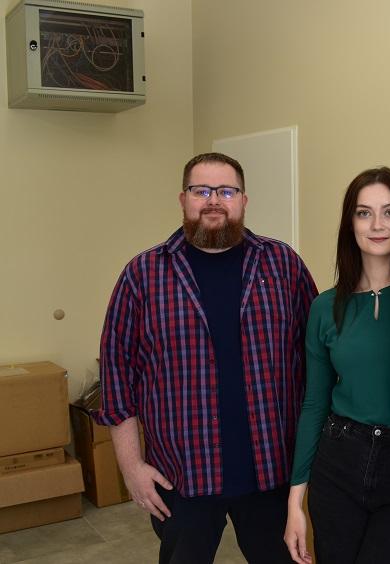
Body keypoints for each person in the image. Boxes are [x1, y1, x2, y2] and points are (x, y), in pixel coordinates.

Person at [94, 152, 318, 564]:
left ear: (243, 200)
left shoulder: (283, 265)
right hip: (182, 476)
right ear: (183, 199)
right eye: (202, 190)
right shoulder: (142, 275)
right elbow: (116, 378)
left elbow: (317, 365)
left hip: (271, 472)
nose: (214, 200)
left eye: (226, 190)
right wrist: (131, 468)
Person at [284, 167, 390, 564]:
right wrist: (295, 504)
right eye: (364, 213)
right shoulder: (324, 308)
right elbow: (314, 404)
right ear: (350, 223)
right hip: (338, 464)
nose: (378, 225)